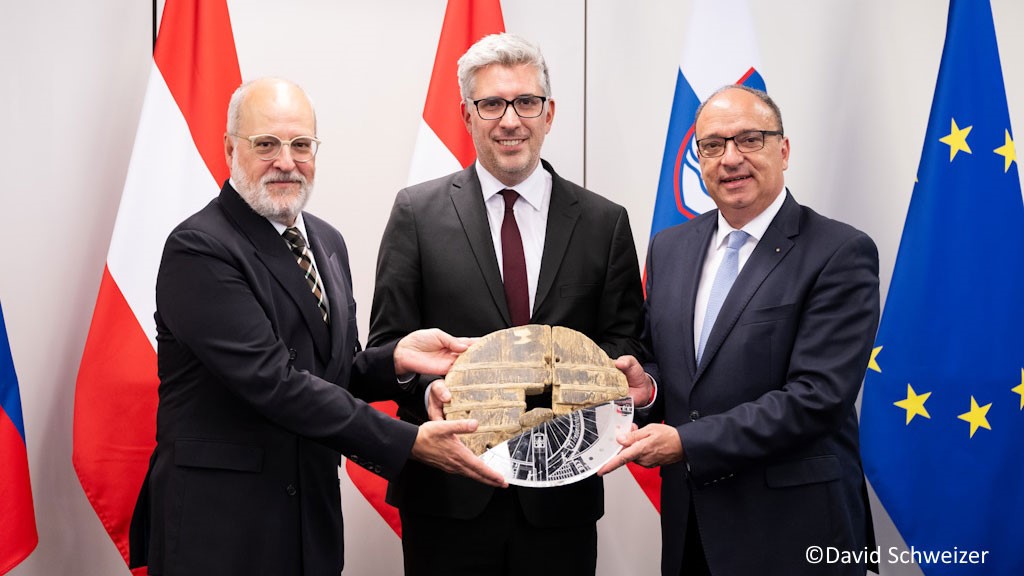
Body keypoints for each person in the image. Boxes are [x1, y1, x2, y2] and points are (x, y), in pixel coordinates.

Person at [127, 77, 505, 576]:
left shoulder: (326, 241)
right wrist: (407, 441)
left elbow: (332, 371)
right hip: (220, 529)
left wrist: (394, 361)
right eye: (266, 144)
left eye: (301, 144)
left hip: (310, 521)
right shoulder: (199, 248)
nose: (287, 161)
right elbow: (275, 383)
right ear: (229, 149)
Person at [368, 33, 644, 576]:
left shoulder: (603, 223)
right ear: (467, 115)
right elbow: (385, 350)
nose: (510, 120)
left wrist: (610, 378)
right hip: (448, 498)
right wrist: (429, 390)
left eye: (525, 102)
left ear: (549, 113)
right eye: (491, 103)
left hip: (560, 505)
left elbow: (627, 343)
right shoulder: (416, 215)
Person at [599, 85, 879, 576]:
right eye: (712, 145)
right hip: (692, 531)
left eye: (750, 139)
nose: (730, 158)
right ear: (699, 159)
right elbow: (679, 372)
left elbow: (817, 398)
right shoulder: (670, 247)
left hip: (795, 531)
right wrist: (648, 391)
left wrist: (688, 443)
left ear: (784, 150)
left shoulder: (839, 252)